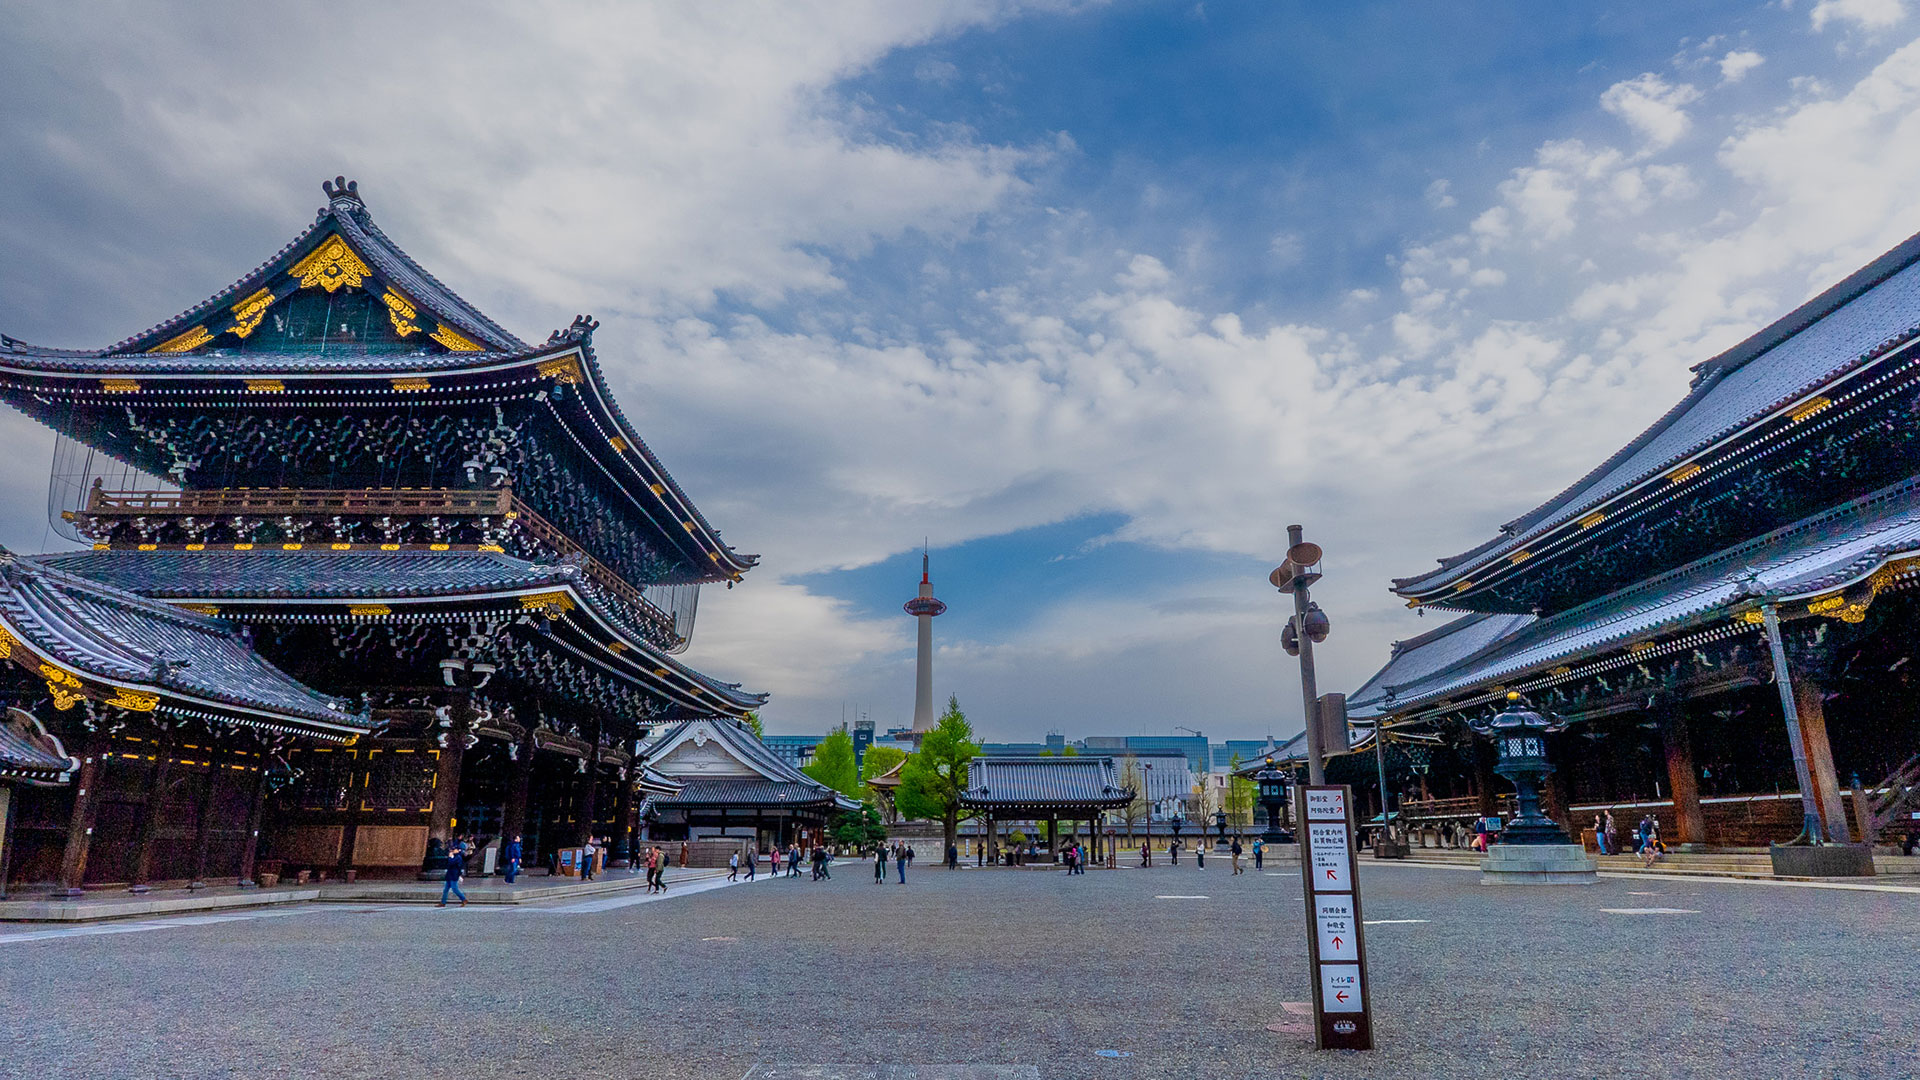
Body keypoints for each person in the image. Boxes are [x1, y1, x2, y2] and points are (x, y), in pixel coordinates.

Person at [438, 836, 469, 907]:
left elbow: (452, 863)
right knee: (445, 889)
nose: (453, 850)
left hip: (454, 875)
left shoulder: (458, 857)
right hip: (450, 874)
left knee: (455, 889)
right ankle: (443, 902)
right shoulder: (455, 856)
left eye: (455, 849)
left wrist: (450, 857)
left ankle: (463, 899)